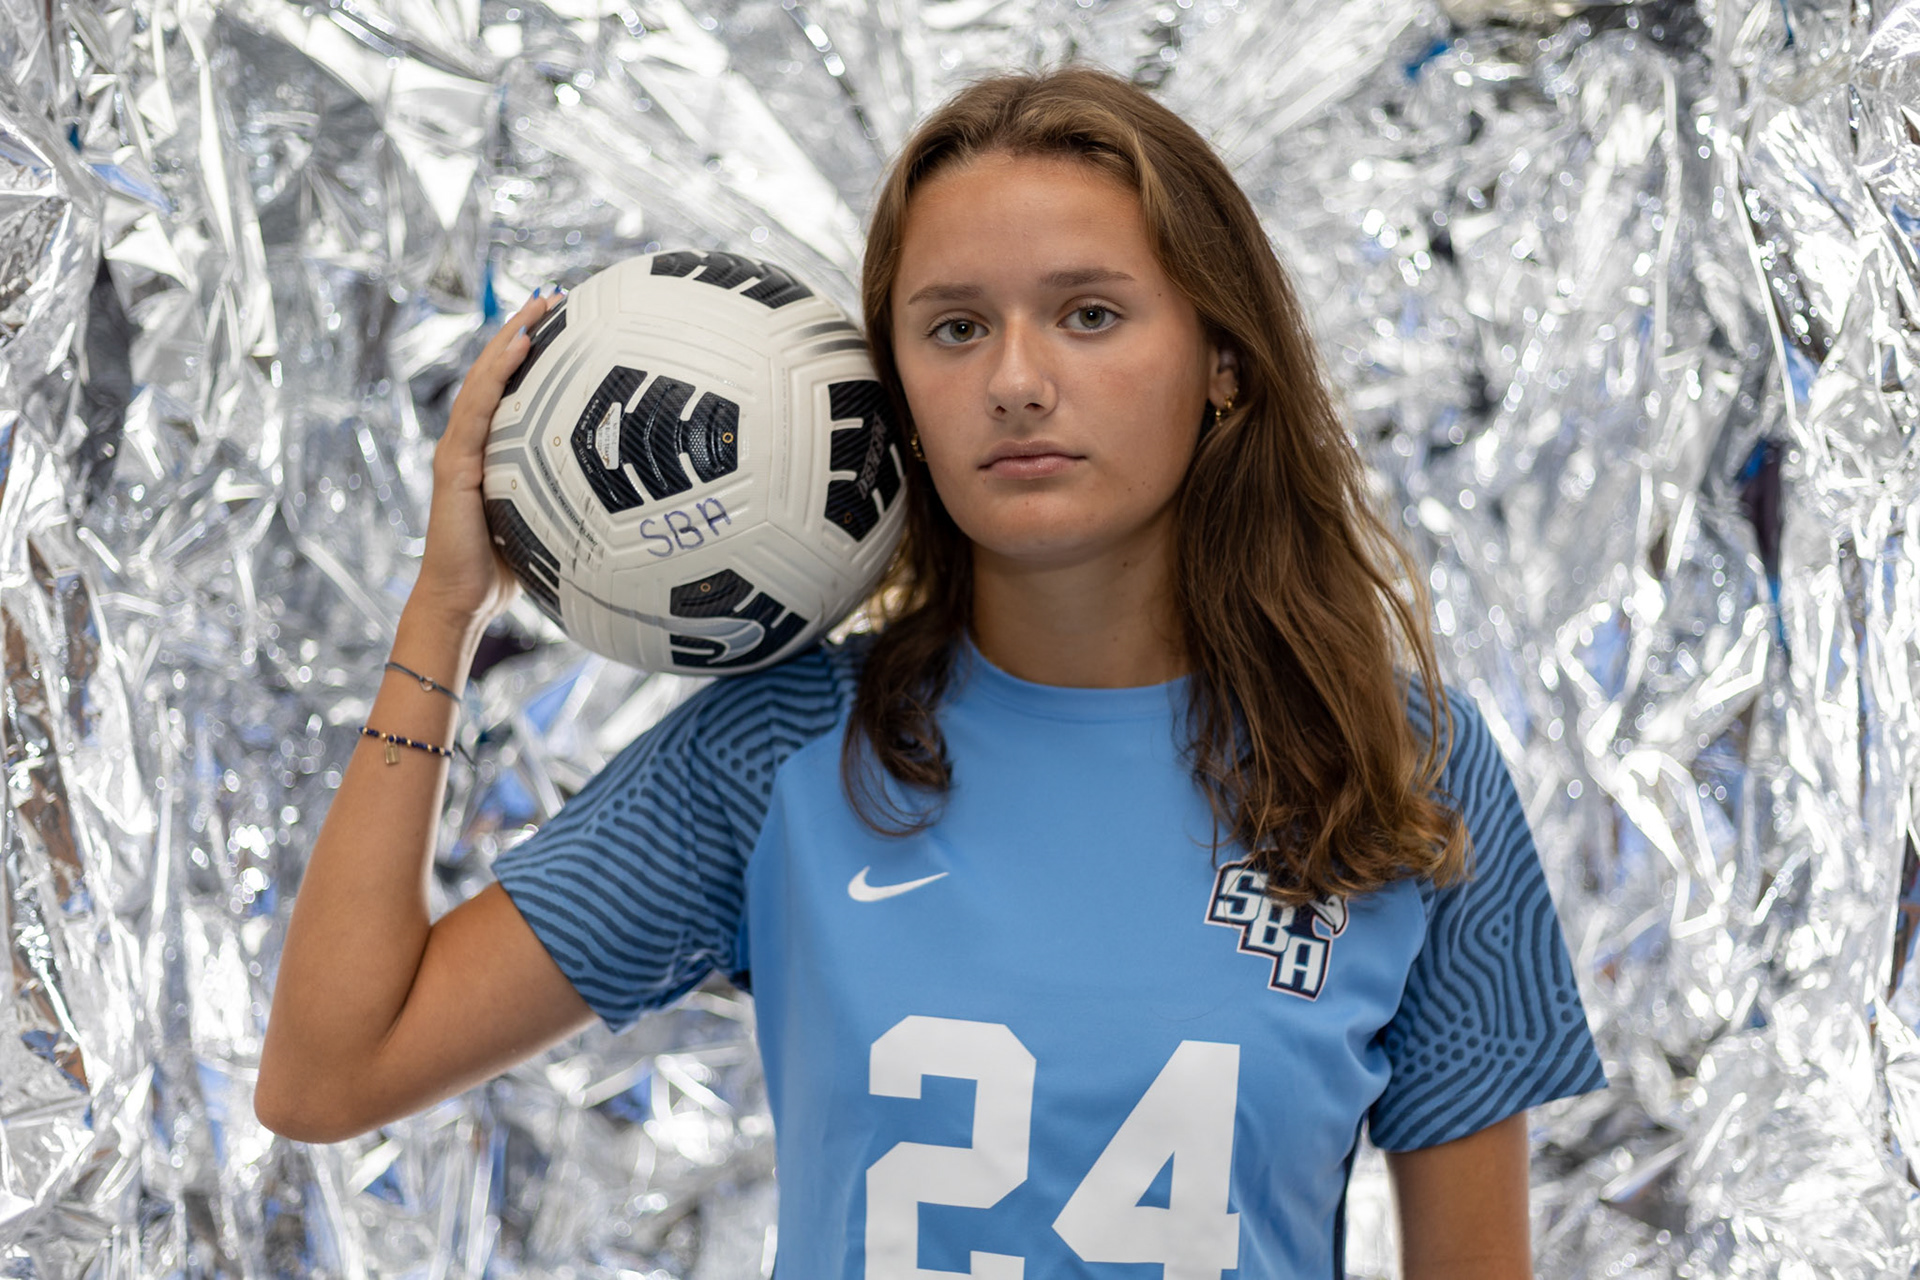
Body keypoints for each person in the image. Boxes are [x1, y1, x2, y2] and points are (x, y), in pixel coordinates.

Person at [257, 64, 1606, 1278]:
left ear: (1224, 366)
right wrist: (443, 613)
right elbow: (330, 1071)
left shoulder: (1398, 761)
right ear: (889, 389)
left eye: (1088, 313)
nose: (1017, 381)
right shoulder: (780, 751)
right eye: (955, 328)